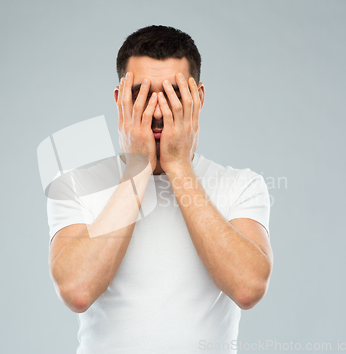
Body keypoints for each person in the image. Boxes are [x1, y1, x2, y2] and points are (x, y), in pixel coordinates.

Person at [46, 25, 273, 354]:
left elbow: (248, 288)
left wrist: (178, 166)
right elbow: (77, 291)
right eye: (141, 94)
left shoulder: (241, 185)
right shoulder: (75, 186)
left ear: (199, 98)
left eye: (172, 95)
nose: (156, 112)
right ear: (119, 98)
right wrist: (137, 168)